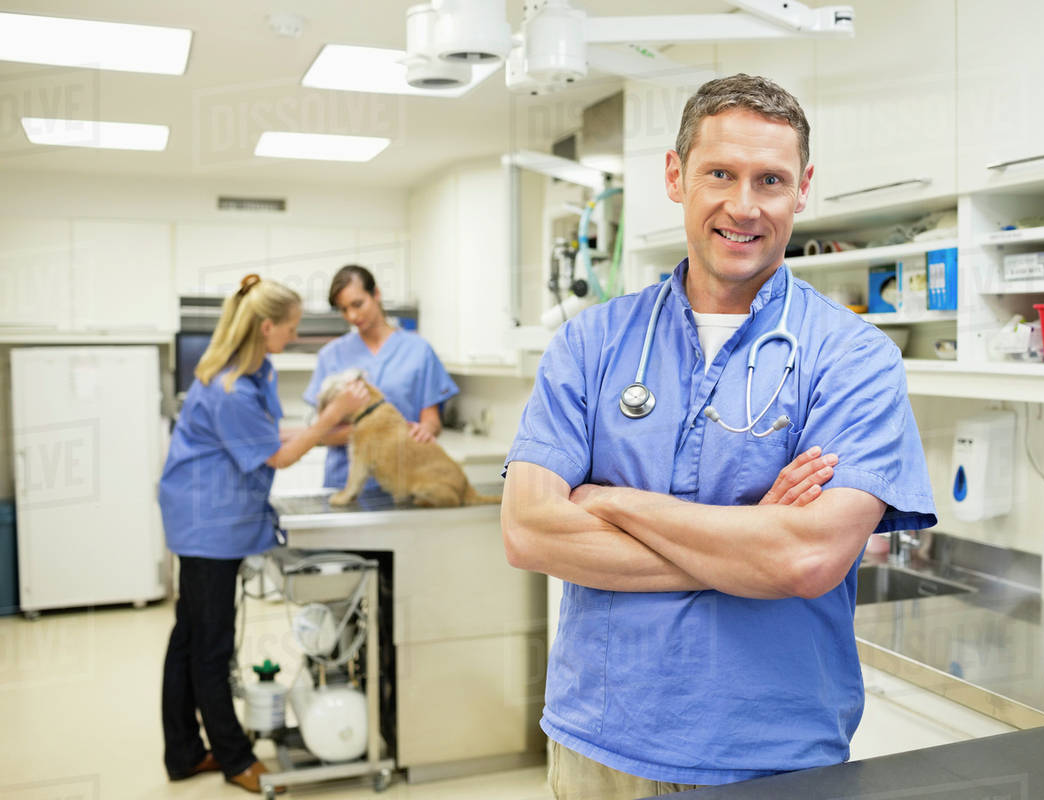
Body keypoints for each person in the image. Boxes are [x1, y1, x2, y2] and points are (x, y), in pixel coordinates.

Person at [502, 74, 937, 798]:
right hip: (601, 743)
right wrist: (748, 543)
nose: (744, 206)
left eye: (771, 180)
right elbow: (529, 533)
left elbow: (805, 559)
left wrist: (613, 502)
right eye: (720, 174)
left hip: (774, 755)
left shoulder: (854, 357)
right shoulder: (591, 342)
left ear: (802, 190)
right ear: (676, 177)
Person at [158, 274, 368, 794]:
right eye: (291, 326)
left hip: (206, 516)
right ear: (266, 326)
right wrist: (332, 416)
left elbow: (267, 435)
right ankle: (235, 759)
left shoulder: (251, 372)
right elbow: (277, 455)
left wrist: (332, 431)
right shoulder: (228, 387)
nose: (295, 335)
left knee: (189, 636)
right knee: (211, 645)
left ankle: (183, 752)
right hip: (208, 525)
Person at [304, 264, 458, 500]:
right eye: (344, 309)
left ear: (376, 294)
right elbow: (321, 432)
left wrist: (425, 430)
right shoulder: (331, 355)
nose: (352, 316)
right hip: (344, 484)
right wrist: (379, 434)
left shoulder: (419, 351)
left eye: (357, 304)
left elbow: (431, 421)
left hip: (404, 482)